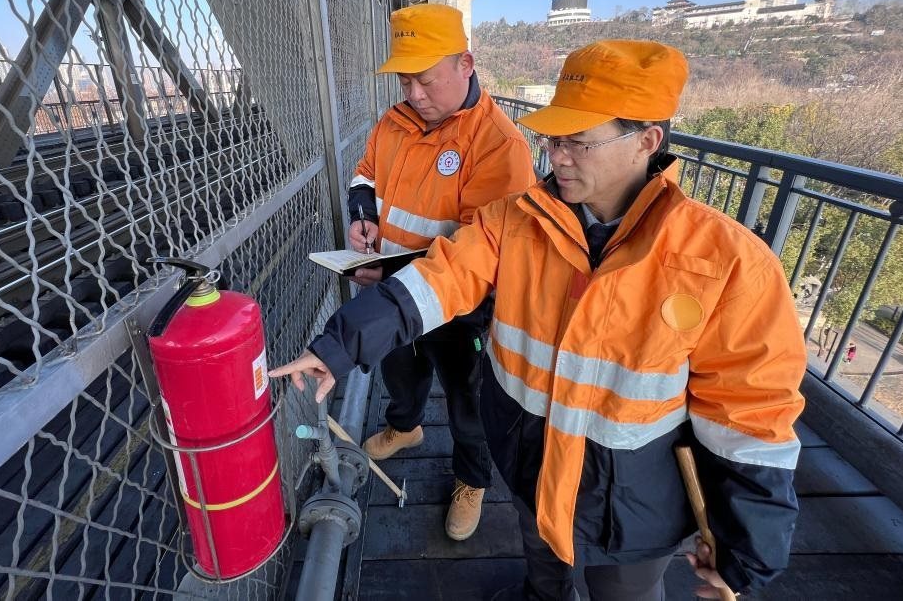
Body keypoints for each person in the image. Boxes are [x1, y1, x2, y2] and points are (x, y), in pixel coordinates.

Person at [273, 40, 805, 600]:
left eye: (578, 141)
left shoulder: (726, 260)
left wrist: (748, 549)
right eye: (553, 139)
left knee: (625, 592)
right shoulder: (515, 221)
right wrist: (340, 345)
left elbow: (749, 412)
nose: (559, 158)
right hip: (529, 459)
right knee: (542, 566)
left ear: (647, 141)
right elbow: (441, 277)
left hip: (633, 501)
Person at [345, 3, 536, 541]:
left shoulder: (498, 144)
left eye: (425, 80)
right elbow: (365, 176)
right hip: (393, 288)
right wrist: (362, 219)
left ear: (465, 64)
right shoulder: (393, 123)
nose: (414, 94)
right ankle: (405, 426)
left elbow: (482, 249)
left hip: (460, 305)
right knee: (399, 370)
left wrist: (388, 269)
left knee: (467, 397)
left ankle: (471, 479)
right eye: (404, 81)